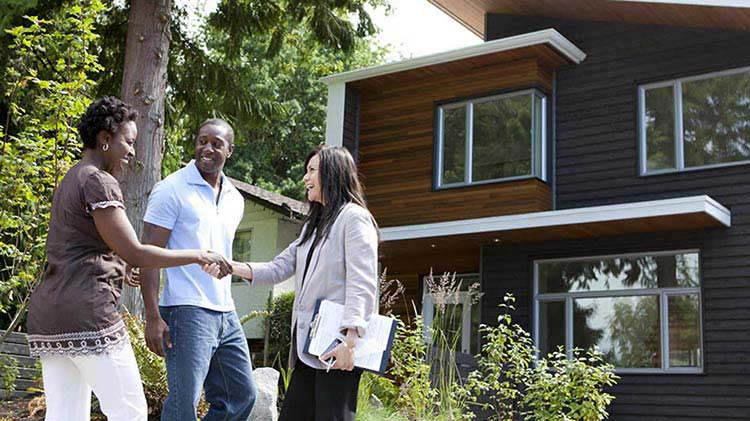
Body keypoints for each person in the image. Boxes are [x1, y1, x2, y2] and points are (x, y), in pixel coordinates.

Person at [26, 97, 231, 421]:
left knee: (65, 415)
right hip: (87, 312)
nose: (133, 151)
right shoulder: (98, 181)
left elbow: (80, 246)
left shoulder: (72, 177)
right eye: (128, 142)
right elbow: (135, 250)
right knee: (131, 412)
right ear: (105, 139)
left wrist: (119, 266)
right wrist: (196, 254)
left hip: (51, 315)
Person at [204, 145, 379, 421]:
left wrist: (350, 341)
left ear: (332, 173)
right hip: (310, 348)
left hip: (337, 347)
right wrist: (230, 267)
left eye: (311, 171)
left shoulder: (354, 219)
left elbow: (363, 281)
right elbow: (278, 268)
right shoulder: (315, 226)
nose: (305, 178)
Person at [140, 118, 257, 421]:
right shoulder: (171, 189)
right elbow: (149, 256)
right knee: (184, 404)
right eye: (202, 140)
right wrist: (152, 316)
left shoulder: (236, 198)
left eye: (216, 143)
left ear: (229, 150)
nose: (207, 147)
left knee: (241, 394)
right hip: (185, 310)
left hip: (225, 311)